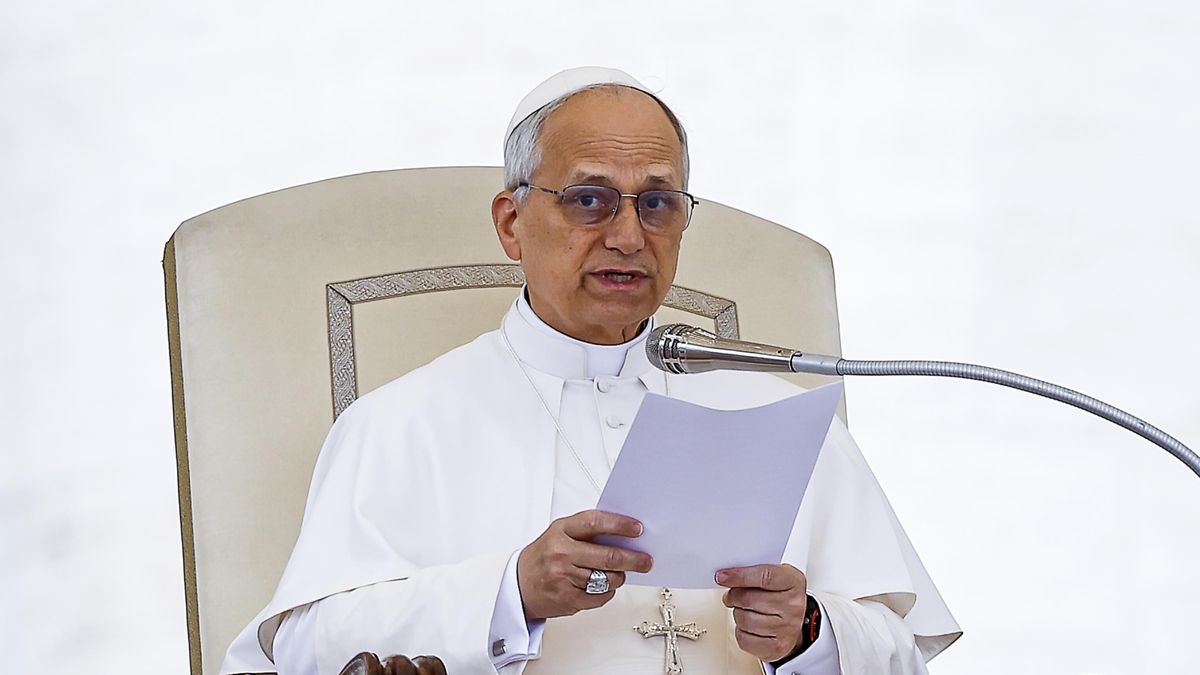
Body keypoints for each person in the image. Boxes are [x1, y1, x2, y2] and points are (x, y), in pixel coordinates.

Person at [219, 67, 961, 675]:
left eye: (659, 203)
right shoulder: (402, 421)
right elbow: (303, 648)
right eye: (589, 199)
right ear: (512, 223)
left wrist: (810, 632)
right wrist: (512, 589)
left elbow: (902, 651)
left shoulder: (770, 411)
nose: (630, 235)